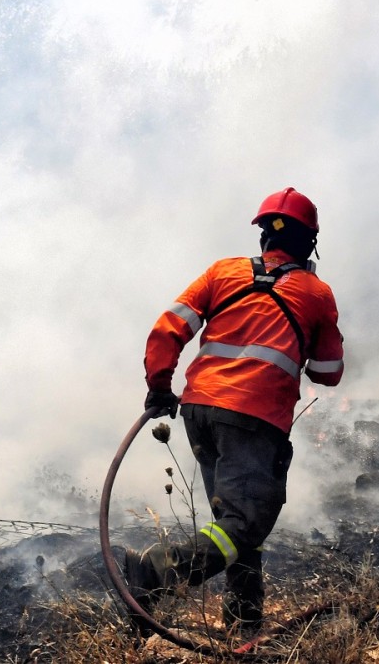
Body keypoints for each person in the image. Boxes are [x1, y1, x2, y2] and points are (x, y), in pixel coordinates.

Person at [126, 186, 345, 634]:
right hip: (254, 418)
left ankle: (244, 618)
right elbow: (328, 371)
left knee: (232, 520)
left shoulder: (222, 272)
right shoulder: (316, 292)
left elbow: (168, 328)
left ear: (264, 237)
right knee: (244, 523)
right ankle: (155, 573)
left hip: (200, 410)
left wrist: (159, 386)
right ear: (309, 244)